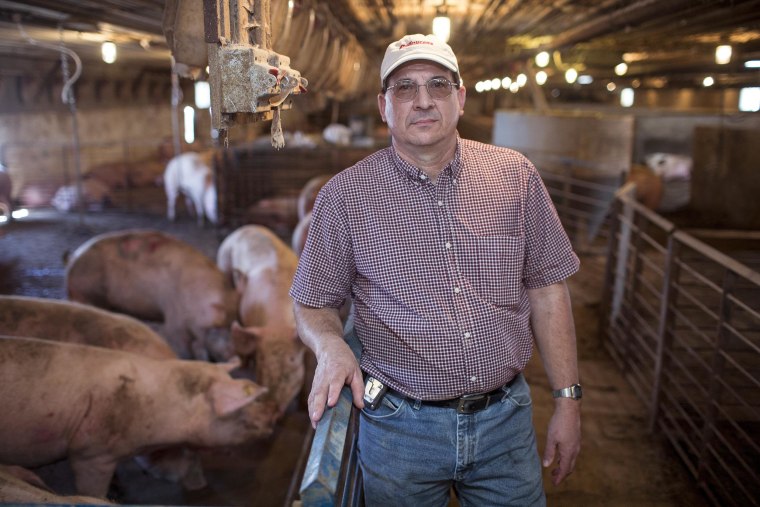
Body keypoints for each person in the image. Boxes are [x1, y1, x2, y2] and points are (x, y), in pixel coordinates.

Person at [290, 33, 581, 506]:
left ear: (460, 99)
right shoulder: (345, 197)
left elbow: (548, 288)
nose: (423, 101)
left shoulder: (515, 176)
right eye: (404, 88)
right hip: (400, 430)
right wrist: (329, 345)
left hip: (505, 420)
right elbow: (312, 300)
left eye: (438, 85)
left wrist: (567, 400)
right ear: (384, 106)